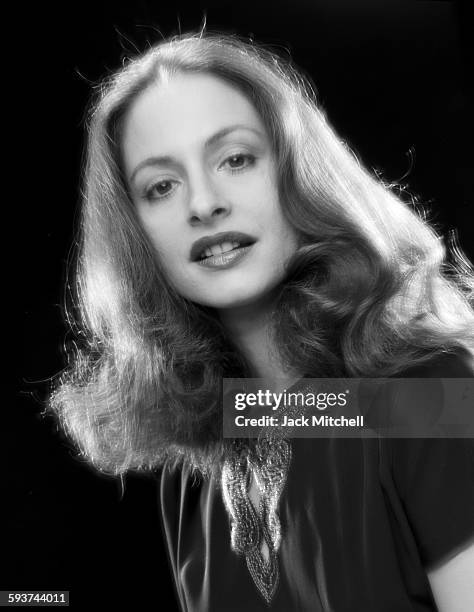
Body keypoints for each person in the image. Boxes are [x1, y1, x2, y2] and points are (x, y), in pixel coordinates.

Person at [47, 32, 474, 611]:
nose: (203, 203)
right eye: (161, 186)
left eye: (236, 158)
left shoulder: (435, 399)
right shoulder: (193, 468)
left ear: (300, 172)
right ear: (135, 235)